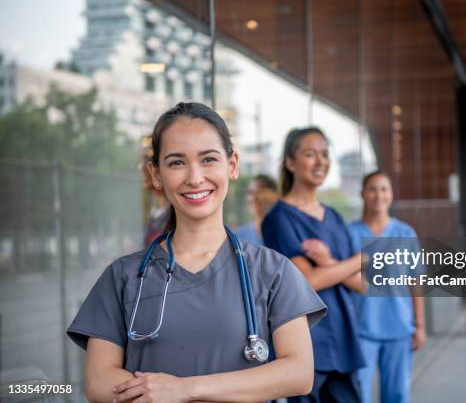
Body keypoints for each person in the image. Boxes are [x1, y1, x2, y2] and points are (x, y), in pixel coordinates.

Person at [67, 103, 327, 403]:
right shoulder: (123, 276)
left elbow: (298, 373)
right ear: (156, 174)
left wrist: (185, 390)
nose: (194, 177)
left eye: (208, 159)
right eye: (177, 162)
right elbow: (99, 382)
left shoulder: (273, 271)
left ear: (232, 165)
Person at [261, 127, 365, 403]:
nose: (321, 161)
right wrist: (359, 259)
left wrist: (329, 263)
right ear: (290, 163)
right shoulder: (279, 219)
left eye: (324, 154)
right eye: (310, 154)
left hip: (343, 341)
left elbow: (363, 284)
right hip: (307, 345)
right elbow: (308, 282)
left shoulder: (334, 217)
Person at [348, 170, 426, 403]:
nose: (378, 195)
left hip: (399, 328)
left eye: (384, 189)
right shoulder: (350, 234)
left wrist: (419, 325)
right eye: (372, 189)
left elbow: (416, 282)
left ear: (391, 194)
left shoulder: (405, 233)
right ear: (363, 193)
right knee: (359, 394)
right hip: (362, 330)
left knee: (397, 396)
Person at [235, 174, 279, 245]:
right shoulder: (238, 236)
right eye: (250, 192)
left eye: (260, 192)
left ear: (275, 196)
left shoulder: (286, 232)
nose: (253, 198)